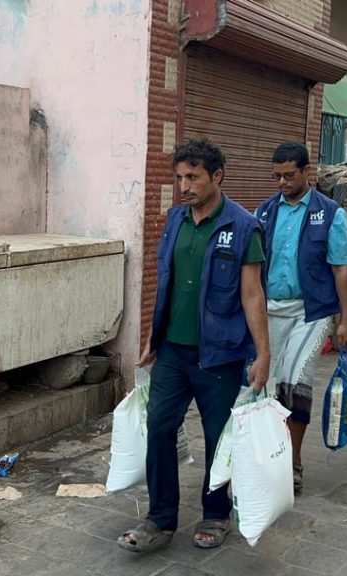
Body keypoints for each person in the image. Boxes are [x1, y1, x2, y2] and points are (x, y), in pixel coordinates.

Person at [118, 138, 270, 553]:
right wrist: (153, 333)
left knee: (218, 437)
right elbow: (165, 281)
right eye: (179, 177)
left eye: (192, 177)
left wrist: (263, 353)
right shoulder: (175, 220)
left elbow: (253, 294)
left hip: (219, 355)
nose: (183, 186)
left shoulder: (243, 227)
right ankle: (160, 518)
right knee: (160, 428)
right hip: (172, 352)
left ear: (216, 177)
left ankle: (216, 513)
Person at [255, 142, 347, 491]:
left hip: (311, 313)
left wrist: (346, 320)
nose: (281, 182)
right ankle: (271, 455)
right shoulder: (264, 213)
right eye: (276, 176)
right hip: (269, 312)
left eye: (288, 175)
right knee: (268, 387)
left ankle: (294, 462)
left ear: (306, 172)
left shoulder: (330, 214)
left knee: (296, 384)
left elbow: (341, 270)